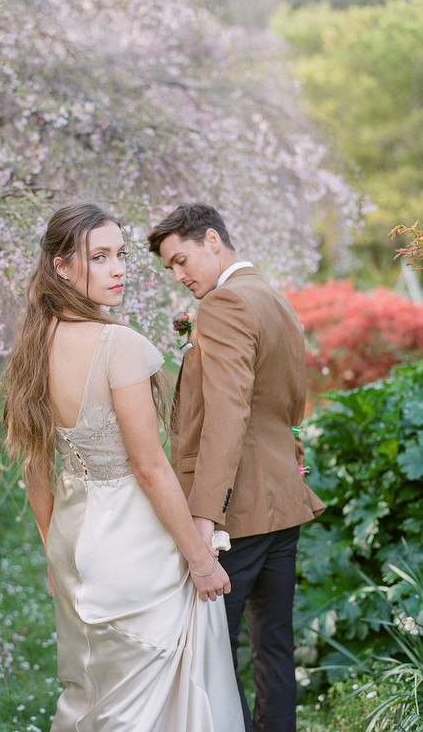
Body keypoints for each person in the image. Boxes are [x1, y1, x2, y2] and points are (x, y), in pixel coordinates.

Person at [3, 202, 245, 732]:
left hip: (73, 538)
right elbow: (150, 465)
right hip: (132, 544)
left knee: (94, 690)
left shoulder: (33, 346)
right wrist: (200, 561)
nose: (118, 270)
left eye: (121, 255)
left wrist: (54, 552)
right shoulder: (119, 345)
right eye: (100, 257)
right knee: (150, 698)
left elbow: (36, 468)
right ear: (62, 267)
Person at [148, 203, 326, 732]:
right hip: (285, 502)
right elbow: (293, 404)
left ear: (212, 240)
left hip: (237, 514)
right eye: (170, 269)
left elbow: (227, 416)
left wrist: (204, 516)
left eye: (182, 260)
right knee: (274, 645)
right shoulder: (274, 298)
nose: (180, 277)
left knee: (213, 655)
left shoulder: (224, 305)